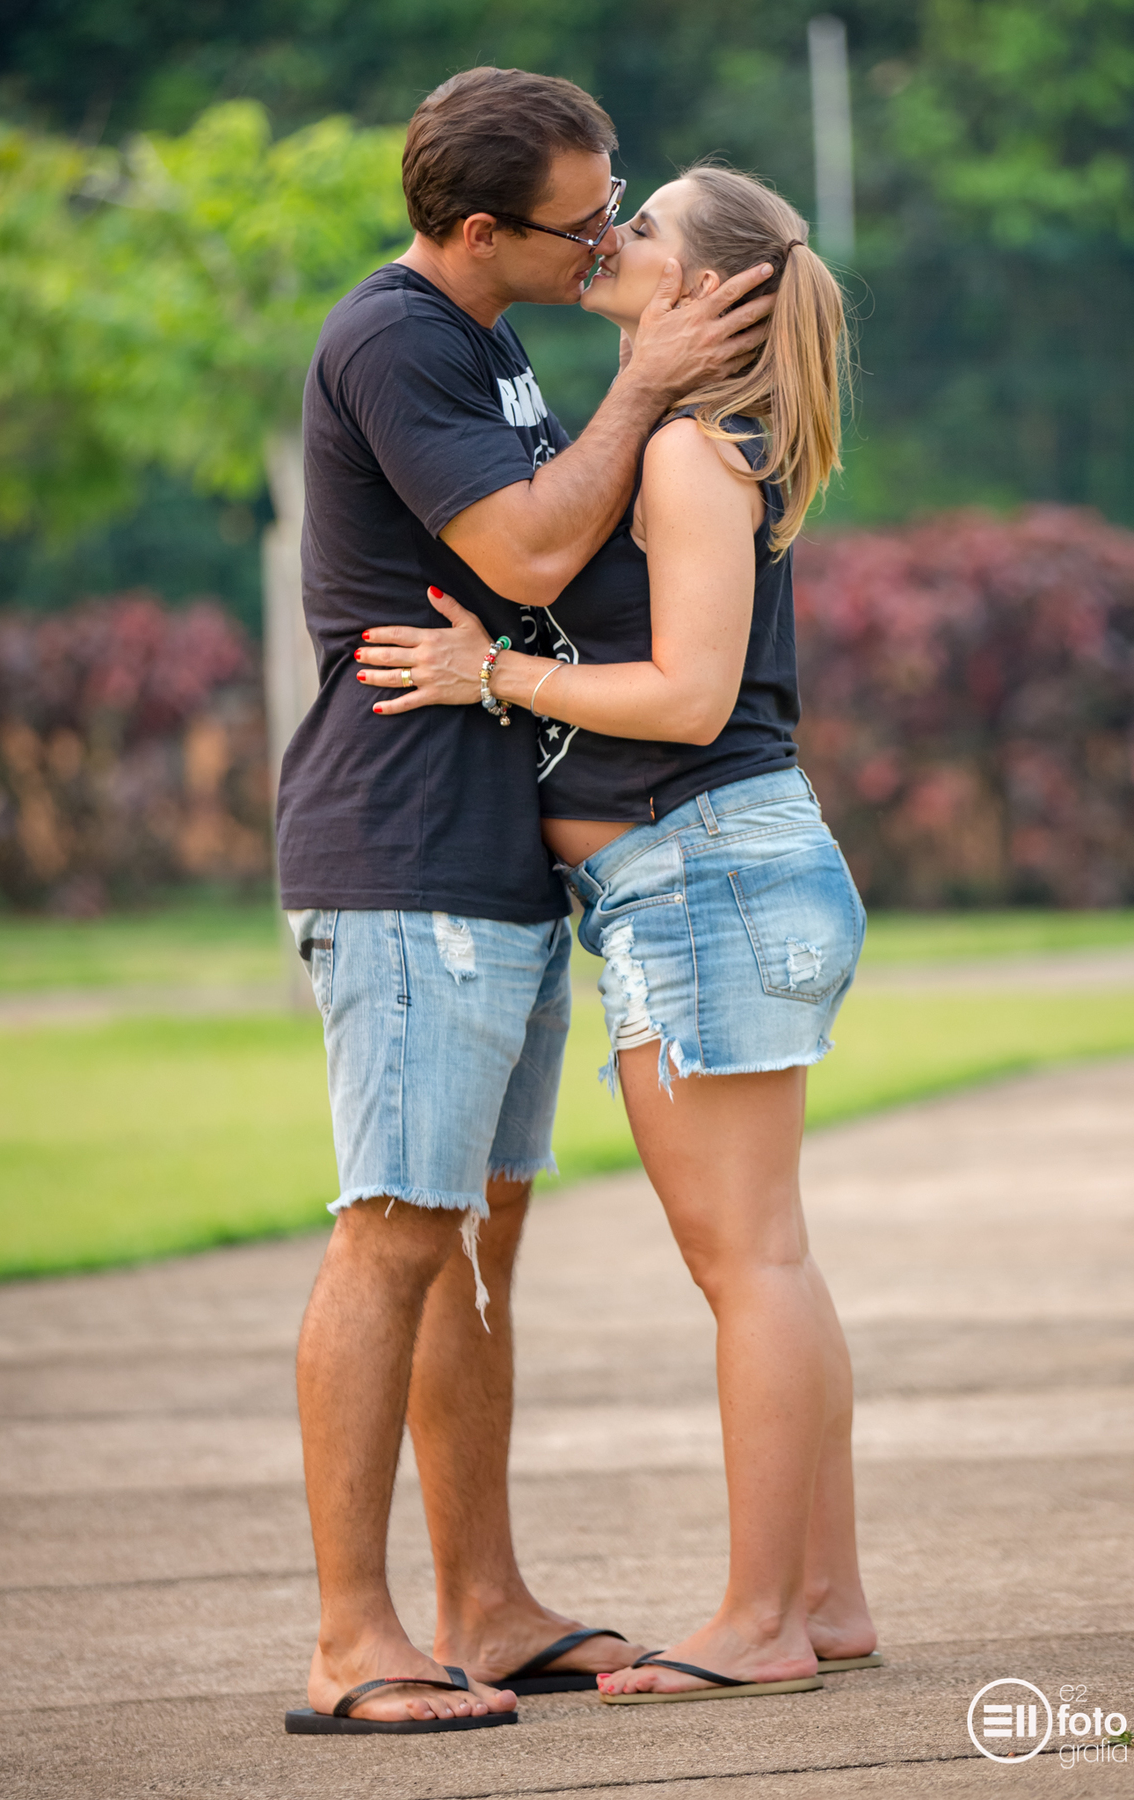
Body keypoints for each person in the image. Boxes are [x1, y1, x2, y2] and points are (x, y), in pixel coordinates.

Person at [276, 71, 777, 1735]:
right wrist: (641, 385)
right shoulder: (399, 338)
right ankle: (359, 1641)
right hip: (404, 847)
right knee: (396, 1232)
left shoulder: (490, 339)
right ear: (480, 229)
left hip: (491, 853)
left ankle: (483, 1606)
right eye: (586, 216)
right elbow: (536, 554)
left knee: (478, 1244)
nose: (612, 231)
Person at [357, 163, 879, 1707]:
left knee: (750, 1266)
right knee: (769, 1259)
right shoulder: (684, 441)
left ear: (709, 289)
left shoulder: (687, 456)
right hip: (699, 874)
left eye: (643, 226)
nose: (612, 236)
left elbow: (690, 700)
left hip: (703, 866)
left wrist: (491, 679)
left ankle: (761, 1621)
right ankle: (826, 1601)